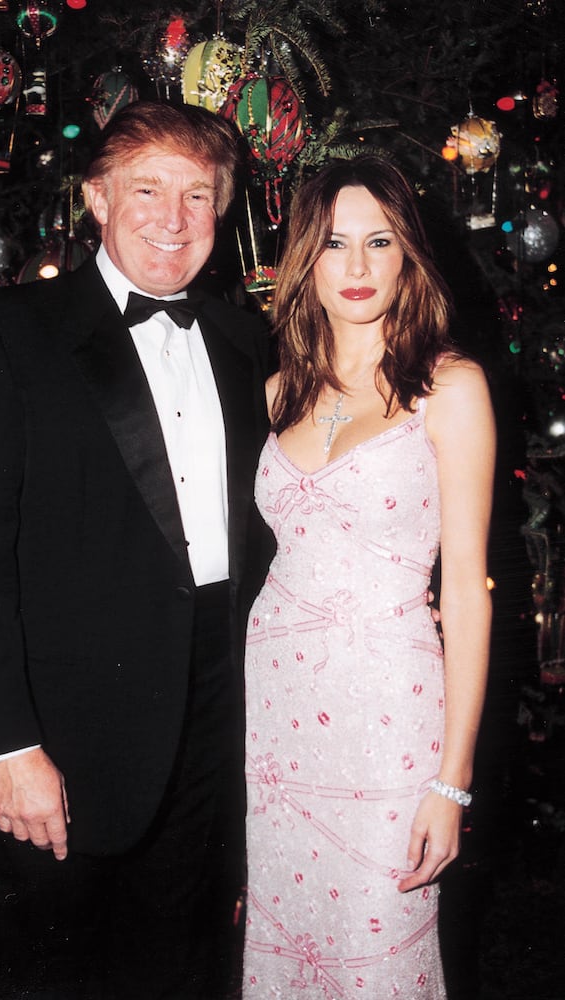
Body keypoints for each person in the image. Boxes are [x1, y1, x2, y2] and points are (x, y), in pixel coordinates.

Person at [0, 100, 275, 1000]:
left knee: (186, 972)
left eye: (197, 196)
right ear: (96, 199)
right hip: (67, 740)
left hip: (220, 723)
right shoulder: (7, 328)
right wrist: (6, 744)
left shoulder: (245, 340)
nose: (174, 219)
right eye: (147, 189)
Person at [242, 156, 495, 998]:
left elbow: (464, 590)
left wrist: (451, 780)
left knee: (375, 950)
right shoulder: (275, 393)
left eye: (378, 242)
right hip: (275, 717)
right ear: (304, 260)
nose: (356, 266)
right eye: (333, 244)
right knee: (290, 948)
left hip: (389, 714)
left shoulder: (448, 387)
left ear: (406, 254)